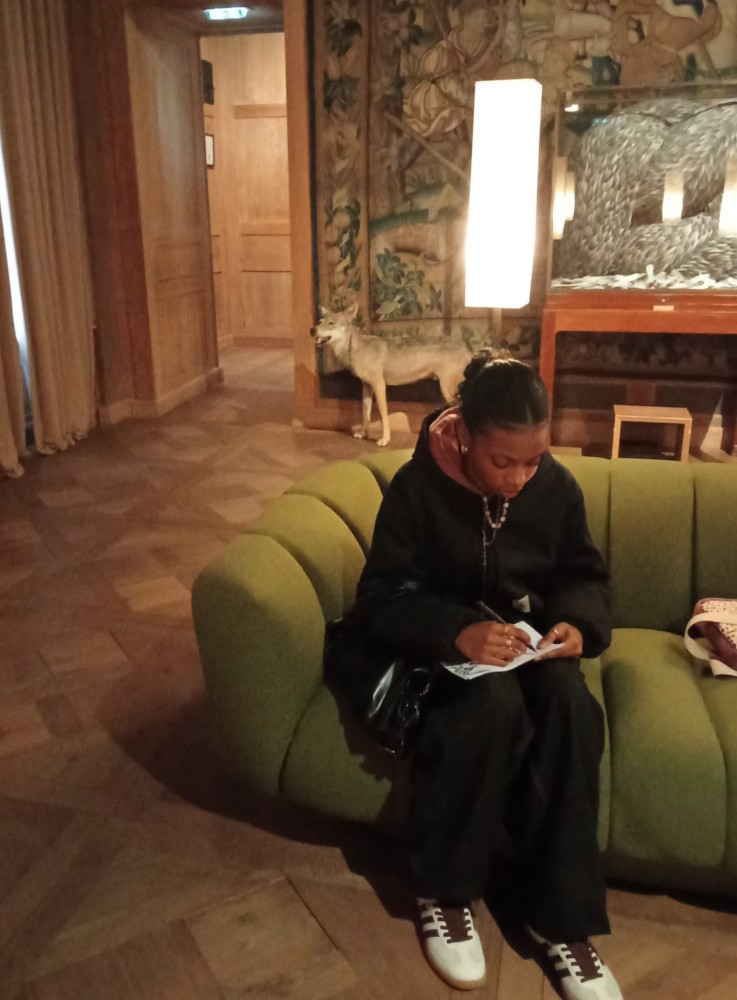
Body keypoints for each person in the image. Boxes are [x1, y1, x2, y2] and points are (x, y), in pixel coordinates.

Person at [337, 352, 622, 998]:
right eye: (502, 462)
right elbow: (380, 598)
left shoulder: (555, 488)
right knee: (488, 705)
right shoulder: (417, 490)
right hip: (435, 652)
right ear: (463, 434)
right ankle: (444, 891)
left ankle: (563, 923)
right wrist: (454, 630)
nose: (519, 478)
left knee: (572, 708)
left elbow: (583, 575)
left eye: (533, 460)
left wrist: (577, 624)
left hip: (527, 645)